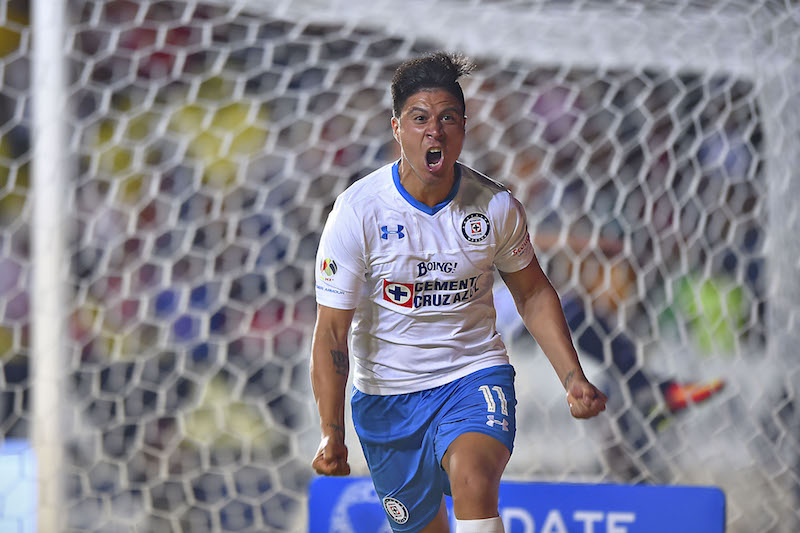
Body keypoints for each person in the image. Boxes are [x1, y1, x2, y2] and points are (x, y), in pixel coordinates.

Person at [310, 52, 607, 533]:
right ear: (396, 128)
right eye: (420, 119)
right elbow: (330, 332)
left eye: (448, 118)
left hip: (471, 375)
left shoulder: (495, 207)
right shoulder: (357, 212)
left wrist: (572, 378)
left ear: (464, 128)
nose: (435, 131)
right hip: (387, 397)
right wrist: (331, 432)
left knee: (473, 477)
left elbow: (533, 294)